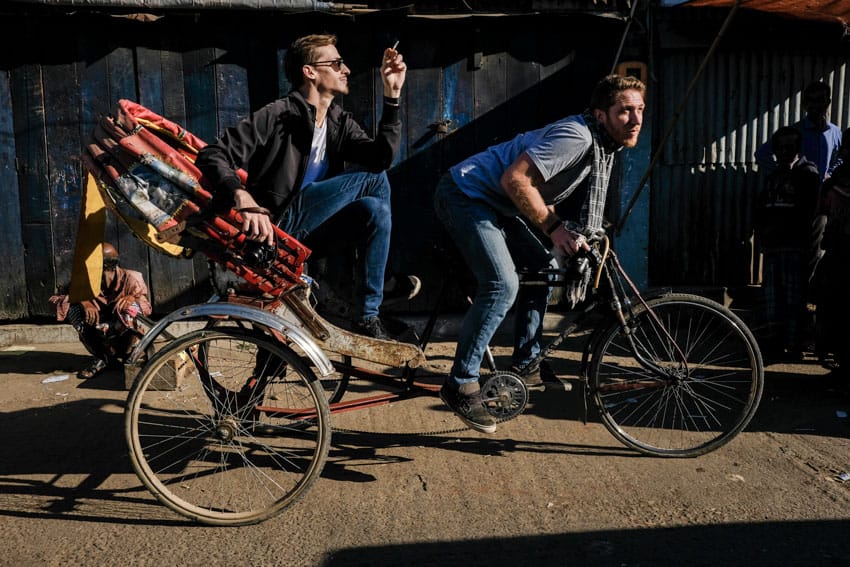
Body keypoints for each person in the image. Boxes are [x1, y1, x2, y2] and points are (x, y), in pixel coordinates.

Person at [433, 74, 646, 433]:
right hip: (465, 195)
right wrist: (555, 228)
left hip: (496, 205)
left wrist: (572, 232)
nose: (636, 120)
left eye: (640, 110)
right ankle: (460, 383)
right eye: (625, 111)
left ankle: (526, 363)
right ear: (600, 115)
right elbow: (515, 180)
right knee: (501, 286)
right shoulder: (577, 137)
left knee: (544, 266)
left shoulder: (602, 147)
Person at [195, 33, 418, 341]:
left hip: (315, 234)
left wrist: (392, 95)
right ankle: (369, 301)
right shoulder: (278, 114)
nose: (346, 70)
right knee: (374, 180)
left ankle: (367, 310)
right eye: (336, 63)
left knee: (375, 208)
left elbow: (381, 157)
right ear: (310, 71)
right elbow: (212, 154)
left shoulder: (339, 122)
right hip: (278, 228)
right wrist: (242, 194)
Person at [754, 126, 821, 359]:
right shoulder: (774, 176)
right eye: (779, 148)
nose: (784, 152)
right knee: (773, 300)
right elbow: (762, 208)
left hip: (795, 247)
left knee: (793, 300)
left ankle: (794, 347)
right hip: (773, 248)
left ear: (797, 149)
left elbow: (809, 214)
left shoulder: (808, 174)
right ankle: (775, 344)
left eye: (789, 148)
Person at [49, 242, 152, 379]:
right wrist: (84, 302)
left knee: (130, 308)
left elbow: (146, 307)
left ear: (101, 266)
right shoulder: (84, 280)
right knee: (72, 308)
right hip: (97, 328)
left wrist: (132, 298)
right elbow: (56, 300)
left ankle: (129, 353)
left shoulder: (131, 278)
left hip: (123, 331)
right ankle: (102, 358)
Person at [812, 130, 850, 381]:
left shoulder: (837, 179)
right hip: (839, 252)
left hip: (841, 252)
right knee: (833, 306)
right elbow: (824, 209)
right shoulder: (838, 177)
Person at [754, 80, 843, 182]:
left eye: (819, 100)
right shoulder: (794, 132)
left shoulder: (836, 132)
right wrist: (780, 173)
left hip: (823, 193)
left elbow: (840, 158)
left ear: (828, 102)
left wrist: (830, 174)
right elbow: (761, 154)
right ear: (804, 104)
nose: (814, 105)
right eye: (810, 100)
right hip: (798, 191)